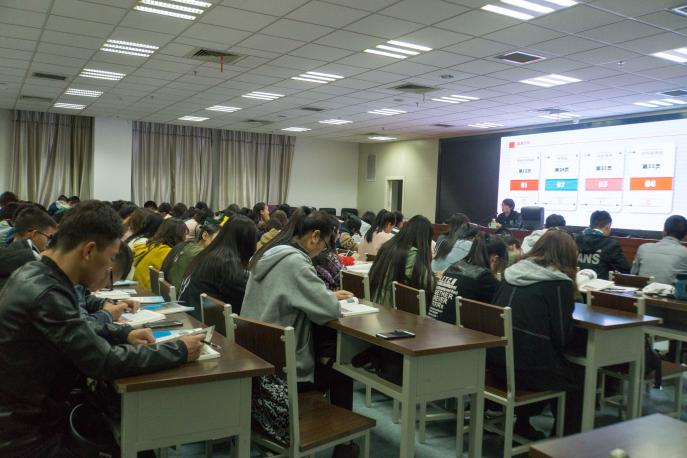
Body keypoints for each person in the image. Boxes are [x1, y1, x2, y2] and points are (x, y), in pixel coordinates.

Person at [0, 200, 204, 457]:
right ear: (88, 251)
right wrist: (180, 350)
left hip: (30, 417)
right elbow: (104, 361)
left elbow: (77, 329)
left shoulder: (35, 272)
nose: (108, 273)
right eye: (109, 259)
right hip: (29, 437)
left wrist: (124, 333)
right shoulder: (48, 293)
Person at [242, 208, 355, 454]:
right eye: (325, 244)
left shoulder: (269, 253)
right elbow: (329, 310)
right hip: (284, 374)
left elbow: (291, 293)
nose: (323, 250)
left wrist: (325, 295)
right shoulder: (296, 263)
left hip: (257, 362)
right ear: (315, 236)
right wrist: (330, 298)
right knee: (343, 369)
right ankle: (344, 446)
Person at [491, 230, 583, 438]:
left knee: (537, 352)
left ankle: (523, 424)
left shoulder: (511, 272)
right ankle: (563, 443)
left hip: (495, 362)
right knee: (578, 378)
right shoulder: (559, 283)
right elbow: (562, 338)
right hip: (526, 372)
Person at [179, 216, 256, 319]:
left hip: (190, 316)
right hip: (200, 322)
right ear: (248, 242)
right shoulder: (225, 263)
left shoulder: (211, 254)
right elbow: (253, 291)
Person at [428, 233, 507, 325]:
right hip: (452, 331)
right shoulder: (483, 277)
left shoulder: (453, 267)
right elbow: (500, 309)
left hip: (432, 324)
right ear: (495, 259)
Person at [368, 215, 435, 306]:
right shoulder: (410, 254)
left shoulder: (388, 246)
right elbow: (429, 284)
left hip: (376, 301)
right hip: (390, 308)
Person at [0, 206, 57, 290]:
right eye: (49, 238)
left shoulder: (7, 256)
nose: (49, 244)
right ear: (33, 234)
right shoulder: (30, 267)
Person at [162, 218, 221, 290]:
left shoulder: (186, 245)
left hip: (167, 290)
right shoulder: (200, 254)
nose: (219, 244)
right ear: (205, 235)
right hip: (178, 294)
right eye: (217, 239)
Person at [132, 218, 188, 289]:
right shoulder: (168, 253)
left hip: (137, 286)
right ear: (178, 236)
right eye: (185, 234)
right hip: (149, 291)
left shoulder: (151, 245)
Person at [632, 215, 687, 284]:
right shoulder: (685, 253)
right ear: (685, 236)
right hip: (672, 291)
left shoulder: (644, 248)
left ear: (663, 231)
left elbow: (633, 274)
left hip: (643, 290)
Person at [576, 210, 630, 280]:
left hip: (577, 284)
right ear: (608, 226)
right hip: (600, 285)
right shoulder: (611, 244)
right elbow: (625, 269)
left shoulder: (577, 239)